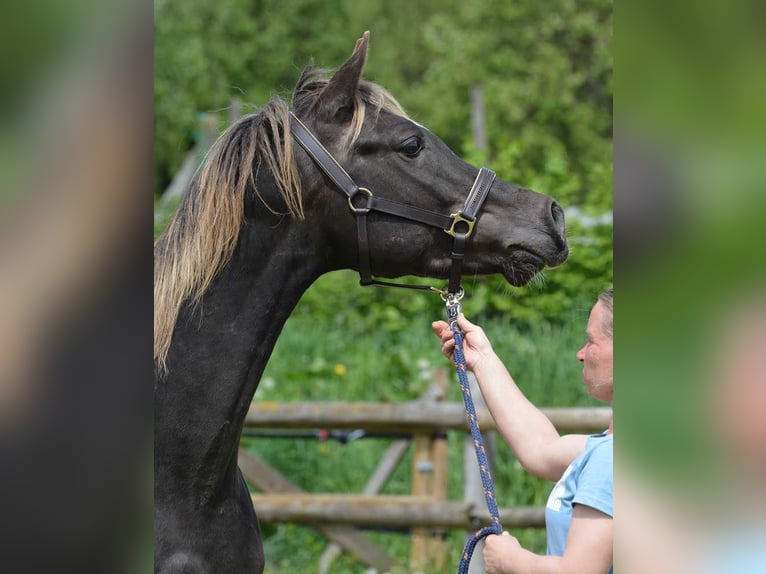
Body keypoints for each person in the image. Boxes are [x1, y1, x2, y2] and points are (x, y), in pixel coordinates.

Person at [432, 289, 614, 574]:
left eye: (591, 341)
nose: (581, 354)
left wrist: (510, 560)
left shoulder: (611, 460)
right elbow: (540, 448)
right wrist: (482, 358)